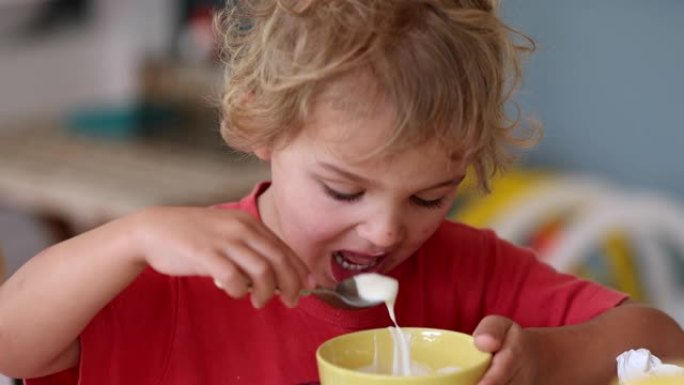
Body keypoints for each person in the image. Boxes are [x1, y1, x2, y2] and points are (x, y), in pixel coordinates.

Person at [0, 1, 682, 384]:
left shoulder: (470, 272)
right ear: (261, 120)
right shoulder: (174, 277)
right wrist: (131, 235)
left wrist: (544, 357)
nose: (387, 232)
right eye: (343, 189)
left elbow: (662, 342)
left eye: (428, 197)